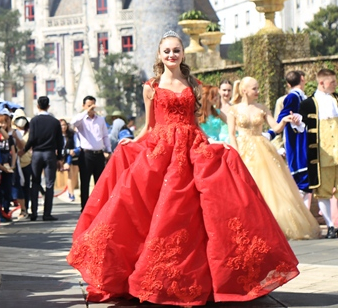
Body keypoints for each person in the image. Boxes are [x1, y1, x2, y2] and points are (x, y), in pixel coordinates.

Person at [68, 30, 299, 305]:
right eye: (167, 51)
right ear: (159, 54)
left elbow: (196, 121)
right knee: (151, 208)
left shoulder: (192, 82)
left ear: (182, 53)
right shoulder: (151, 86)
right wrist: (132, 141)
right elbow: (150, 125)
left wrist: (216, 143)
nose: (171, 55)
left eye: (176, 50)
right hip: (161, 149)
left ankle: (206, 279)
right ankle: (148, 277)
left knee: (202, 208)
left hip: (192, 145)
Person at [228, 77, 320, 240]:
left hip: (262, 150)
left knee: (270, 188)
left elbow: (276, 128)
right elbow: (231, 135)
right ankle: (250, 225)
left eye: (258, 88)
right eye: (254, 89)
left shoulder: (262, 108)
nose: (258, 91)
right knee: (245, 189)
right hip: (242, 150)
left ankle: (272, 225)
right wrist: (236, 153)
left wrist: (284, 120)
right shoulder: (233, 110)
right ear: (244, 91)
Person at [300, 68, 338, 239]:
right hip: (322, 155)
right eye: (332, 82)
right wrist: (297, 122)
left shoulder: (337, 99)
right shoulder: (308, 104)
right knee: (323, 191)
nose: (335, 84)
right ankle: (330, 226)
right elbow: (300, 127)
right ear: (321, 83)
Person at [24, 96, 64, 221]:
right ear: (48, 106)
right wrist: (59, 157)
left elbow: (31, 138)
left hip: (37, 153)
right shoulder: (55, 121)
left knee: (35, 182)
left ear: (37, 106)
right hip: (50, 154)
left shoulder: (34, 121)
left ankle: (34, 212)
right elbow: (60, 141)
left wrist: (24, 150)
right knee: (50, 184)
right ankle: (47, 213)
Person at [277, 71, 311, 207]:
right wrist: (292, 119)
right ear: (302, 79)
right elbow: (282, 117)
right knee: (302, 184)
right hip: (297, 147)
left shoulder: (302, 97)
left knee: (306, 186)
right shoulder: (292, 97)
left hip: (303, 145)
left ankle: (305, 220)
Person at [71, 95, 112, 211]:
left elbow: (105, 136)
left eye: (93, 105)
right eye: (89, 106)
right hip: (86, 155)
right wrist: (86, 112)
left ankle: (100, 207)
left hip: (99, 154)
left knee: (100, 183)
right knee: (85, 182)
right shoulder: (81, 120)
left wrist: (108, 150)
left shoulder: (100, 120)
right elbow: (73, 123)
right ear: (84, 106)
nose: (91, 108)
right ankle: (84, 207)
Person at [60, 118, 79, 202]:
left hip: (73, 156)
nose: (63, 127)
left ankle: (70, 190)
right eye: (61, 125)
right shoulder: (57, 136)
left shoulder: (72, 134)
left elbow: (77, 145)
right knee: (70, 174)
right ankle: (71, 193)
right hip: (64, 157)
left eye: (64, 125)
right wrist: (68, 151)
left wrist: (74, 151)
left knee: (74, 175)